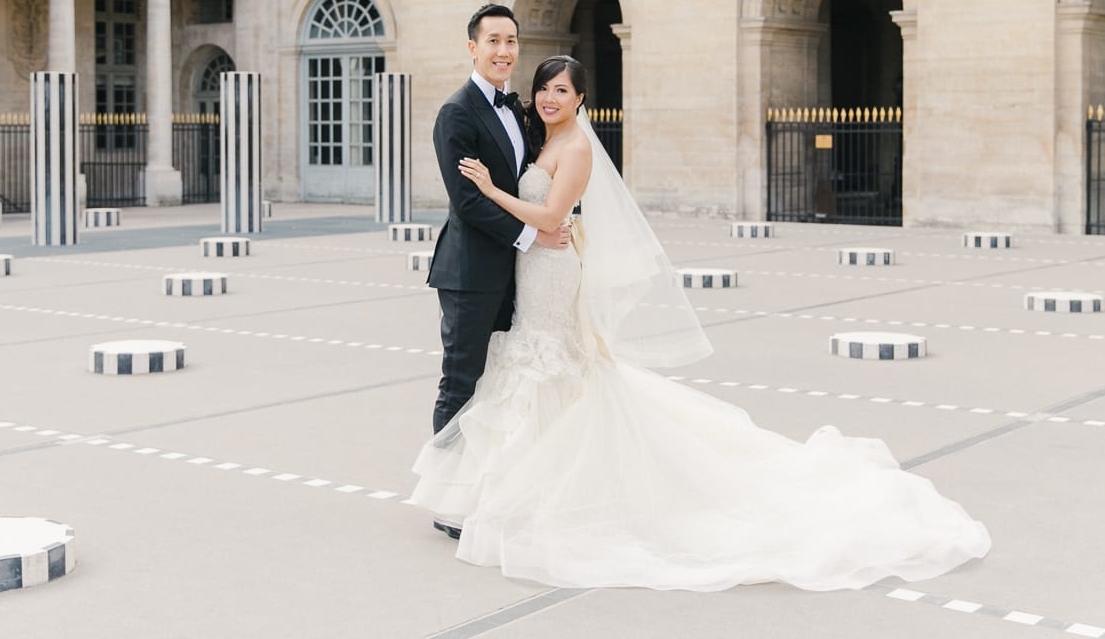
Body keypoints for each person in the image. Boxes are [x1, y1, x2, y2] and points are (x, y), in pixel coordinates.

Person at [408, 55, 991, 591]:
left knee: (547, 368)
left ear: (582, 98)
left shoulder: (578, 147)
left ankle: (541, 495)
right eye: (543, 89)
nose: (548, 97)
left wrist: (490, 190)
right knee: (529, 373)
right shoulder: (541, 137)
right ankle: (513, 492)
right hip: (534, 266)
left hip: (550, 268)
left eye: (561, 90)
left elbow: (554, 213)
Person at [425, 5, 571, 540]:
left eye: (511, 40)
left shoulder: (521, 111)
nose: (504, 51)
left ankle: (484, 490)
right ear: (472, 47)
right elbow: (468, 203)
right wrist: (535, 237)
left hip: (516, 272)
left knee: (497, 384)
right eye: (493, 41)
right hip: (469, 273)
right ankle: (445, 500)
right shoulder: (456, 114)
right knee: (461, 382)